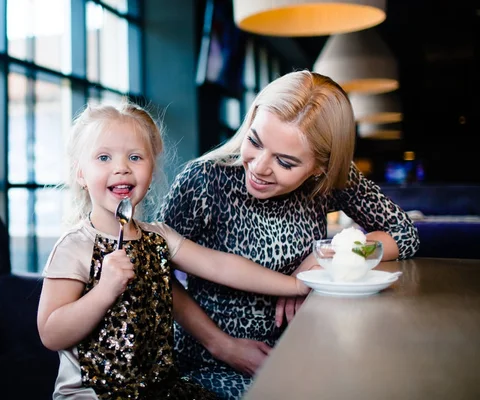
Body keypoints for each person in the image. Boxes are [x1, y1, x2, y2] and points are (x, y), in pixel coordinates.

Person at [157, 70, 421, 399]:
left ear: (320, 168)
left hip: (309, 348)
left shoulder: (331, 181)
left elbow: (403, 234)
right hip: (212, 361)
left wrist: (325, 258)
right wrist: (221, 345)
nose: (259, 167)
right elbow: (155, 272)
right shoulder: (203, 180)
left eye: (285, 162)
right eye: (254, 142)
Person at [36, 101, 316, 400]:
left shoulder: (159, 237)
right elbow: (51, 334)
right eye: (103, 157)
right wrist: (104, 291)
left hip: (160, 390)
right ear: (81, 174)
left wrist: (295, 284)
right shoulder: (75, 245)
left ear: (152, 170)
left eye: (135, 157)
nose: (121, 167)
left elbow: (222, 267)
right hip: (91, 394)